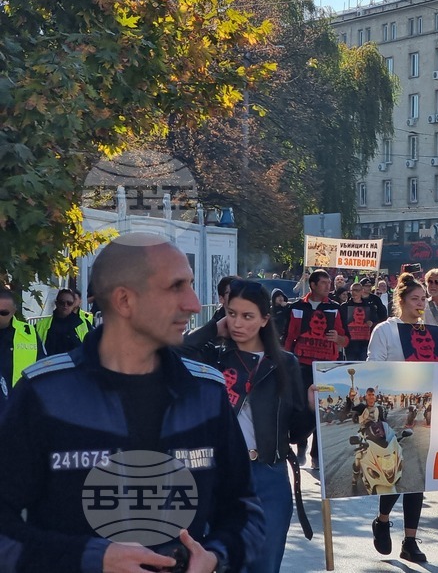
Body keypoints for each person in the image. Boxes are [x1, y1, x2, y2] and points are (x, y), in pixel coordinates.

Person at [0, 233, 263, 572]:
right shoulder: (44, 394)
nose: (195, 304)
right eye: (176, 287)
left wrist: (214, 557)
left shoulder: (206, 392)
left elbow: (246, 512)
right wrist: (91, 559)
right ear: (124, 301)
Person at [181, 279, 312, 573]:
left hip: (270, 475)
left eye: (248, 316)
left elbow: (295, 432)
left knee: (265, 564)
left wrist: (314, 409)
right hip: (220, 477)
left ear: (265, 319)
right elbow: (174, 350)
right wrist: (214, 328)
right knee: (225, 562)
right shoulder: (212, 357)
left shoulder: (286, 363)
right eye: (232, 313)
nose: (238, 323)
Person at [368, 273, 438, 562]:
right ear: (400, 301)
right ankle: (383, 519)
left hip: (426, 410)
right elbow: (372, 368)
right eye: (415, 299)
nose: (421, 303)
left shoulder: (430, 330)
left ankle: (410, 541)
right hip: (394, 410)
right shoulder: (385, 330)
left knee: (418, 476)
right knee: (397, 472)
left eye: (424, 299)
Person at [284, 270, 347, 469]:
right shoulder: (296, 307)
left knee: (324, 409)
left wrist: (337, 339)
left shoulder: (336, 308)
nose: (328, 286)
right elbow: (287, 338)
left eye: (329, 283)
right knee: (302, 406)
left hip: (326, 368)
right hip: (301, 365)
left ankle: (317, 455)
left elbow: (346, 340)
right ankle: (300, 443)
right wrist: (283, 363)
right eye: (323, 283)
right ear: (312, 285)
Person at [0, 288, 45, 420]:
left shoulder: (28, 333)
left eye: (3, 313)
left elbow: (42, 366)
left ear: (14, 312)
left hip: (18, 405)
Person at [34, 288, 92, 356]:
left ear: (74, 305)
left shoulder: (84, 324)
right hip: (50, 365)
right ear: (56, 303)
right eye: (62, 302)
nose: (65, 305)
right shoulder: (41, 325)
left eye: (69, 303)